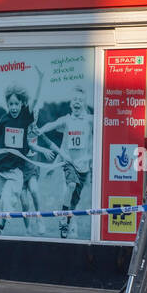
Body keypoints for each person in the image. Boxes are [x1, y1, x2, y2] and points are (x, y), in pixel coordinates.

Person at [37, 85, 94, 239]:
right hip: (69, 163)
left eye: (80, 100)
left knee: (74, 201)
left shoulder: (89, 121)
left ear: (84, 104)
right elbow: (52, 125)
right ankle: (63, 219)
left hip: (84, 167)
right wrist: (39, 130)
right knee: (70, 185)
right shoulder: (67, 120)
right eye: (74, 99)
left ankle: (66, 221)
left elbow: (104, 125)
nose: (77, 102)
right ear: (70, 104)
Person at [0, 83, 40, 235]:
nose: (14, 107)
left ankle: (1, 225)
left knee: (7, 199)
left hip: (16, 171)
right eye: (11, 104)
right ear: (7, 105)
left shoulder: (25, 118)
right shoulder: (5, 119)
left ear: (22, 103)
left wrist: (40, 81)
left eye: (16, 104)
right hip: (1, 168)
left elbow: (35, 101)